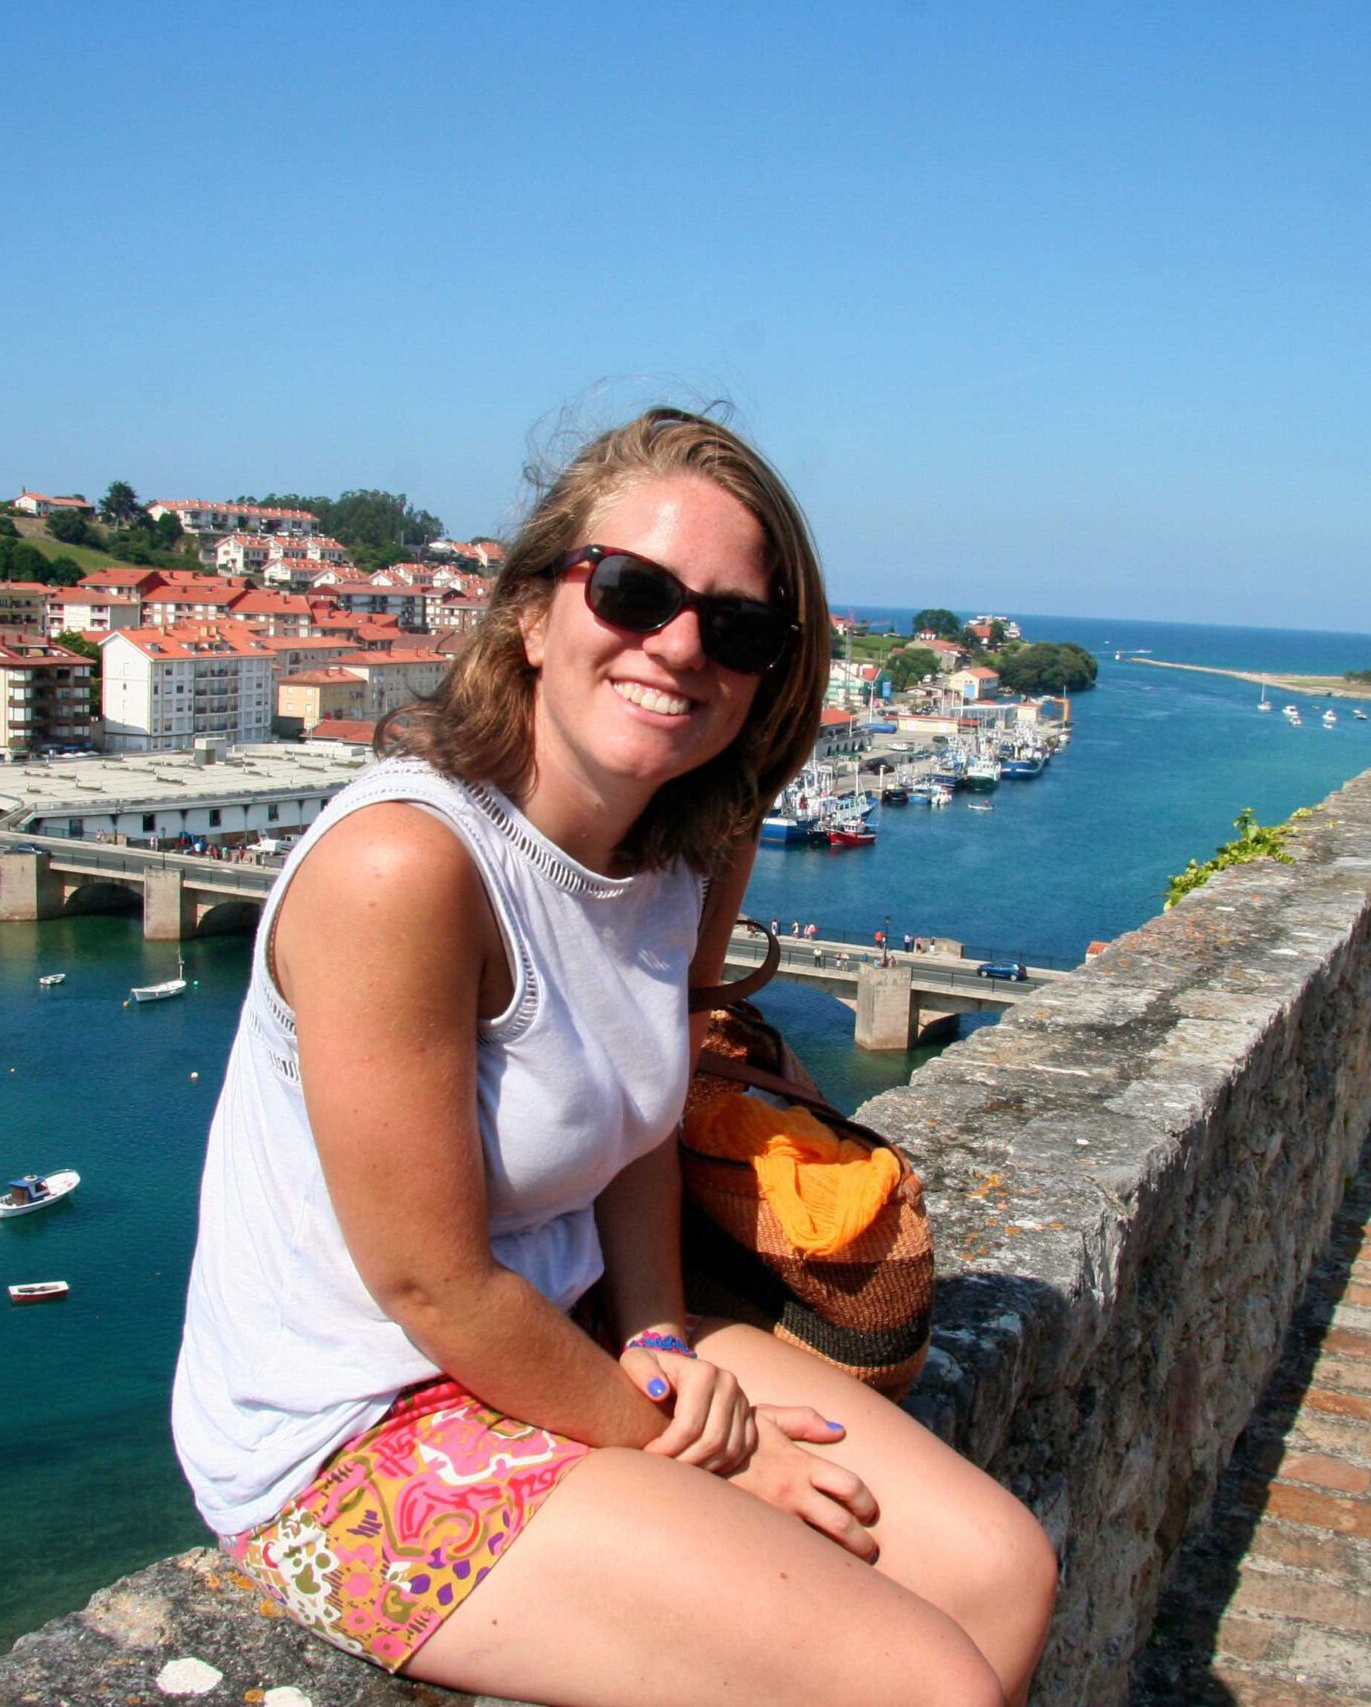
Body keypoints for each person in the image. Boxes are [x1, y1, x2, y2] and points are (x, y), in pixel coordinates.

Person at [173, 408, 1053, 1706]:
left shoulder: (673, 854)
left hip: (572, 1329)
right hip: (359, 1427)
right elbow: (429, 1284)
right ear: (533, 610)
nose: (681, 646)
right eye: (636, 593)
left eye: (737, 628)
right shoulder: (405, 869)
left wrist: (657, 1335)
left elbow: (642, 1128)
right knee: (926, 1685)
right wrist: (698, 1448)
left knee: (997, 1573)